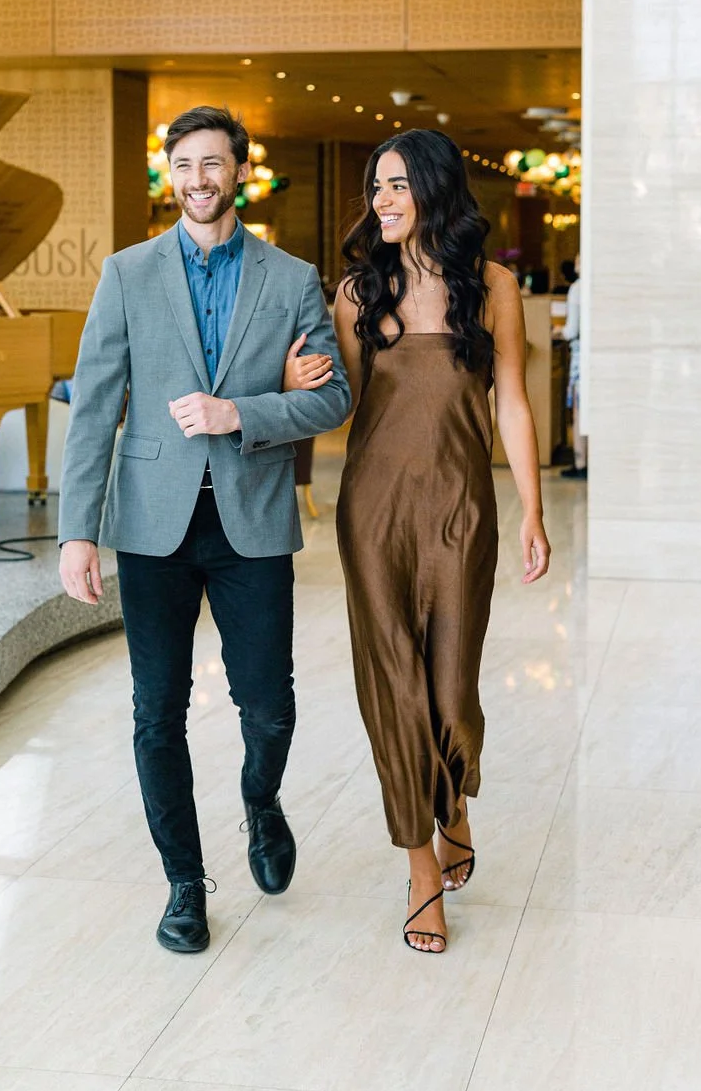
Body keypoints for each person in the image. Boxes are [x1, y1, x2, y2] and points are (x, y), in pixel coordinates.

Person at [58, 105, 351, 955]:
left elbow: (331, 397)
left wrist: (240, 411)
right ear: (169, 175)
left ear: (240, 172)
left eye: (212, 164)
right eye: (183, 166)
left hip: (252, 521)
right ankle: (184, 884)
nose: (197, 180)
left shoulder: (292, 278)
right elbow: (94, 410)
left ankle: (261, 803)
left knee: (268, 709)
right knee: (158, 714)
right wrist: (79, 531)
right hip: (152, 526)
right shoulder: (127, 274)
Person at [288, 129, 549, 954]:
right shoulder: (360, 291)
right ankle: (420, 870)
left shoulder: (493, 286)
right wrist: (299, 383)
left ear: (435, 190)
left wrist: (534, 511)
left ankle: (455, 800)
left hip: (462, 507)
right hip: (374, 512)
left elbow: (511, 400)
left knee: (452, 690)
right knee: (392, 686)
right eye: (375, 187)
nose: (383, 201)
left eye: (398, 185)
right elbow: (343, 410)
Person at [560, 252, 586, 478]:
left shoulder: (577, 289)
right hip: (596, 358)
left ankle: (580, 462)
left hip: (581, 358)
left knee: (579, 410)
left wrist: (557, 331)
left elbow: (571, 330)